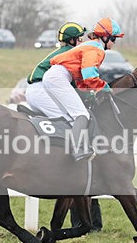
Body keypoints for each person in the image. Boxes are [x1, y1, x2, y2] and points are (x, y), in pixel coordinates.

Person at [27, 18, 123, 160]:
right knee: (81, 115)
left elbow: (81, 81)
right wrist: (104, 87)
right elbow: (89, 75)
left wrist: (92, 91)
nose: (114, 43)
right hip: (56, 79)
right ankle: (78, 150)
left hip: (53, 78)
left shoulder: (89, 47)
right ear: (104, 36)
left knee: (71, 116)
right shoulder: (96, 48)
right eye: (113, 39)